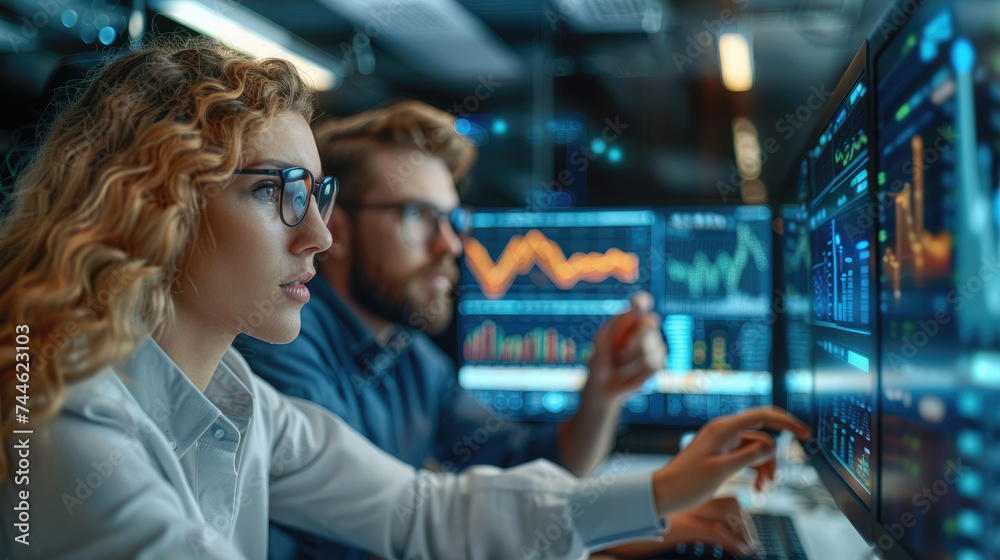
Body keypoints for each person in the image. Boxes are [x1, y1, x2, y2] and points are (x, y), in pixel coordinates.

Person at [0, 37, 810, 560]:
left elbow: (423, 511)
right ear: (157, 197)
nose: (316, 234)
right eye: (280, 193)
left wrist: (666, 489)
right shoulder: (49, 415)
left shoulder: (241, 399)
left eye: (318, 194)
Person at [234, 101, 758, 559]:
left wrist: (604, 391)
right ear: (337, 231)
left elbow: (529, 464)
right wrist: (629, 528)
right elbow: (388, 534)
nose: (451, 246)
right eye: (418, 215)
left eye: (452, 221)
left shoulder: (407, 356)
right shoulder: (280, 346)